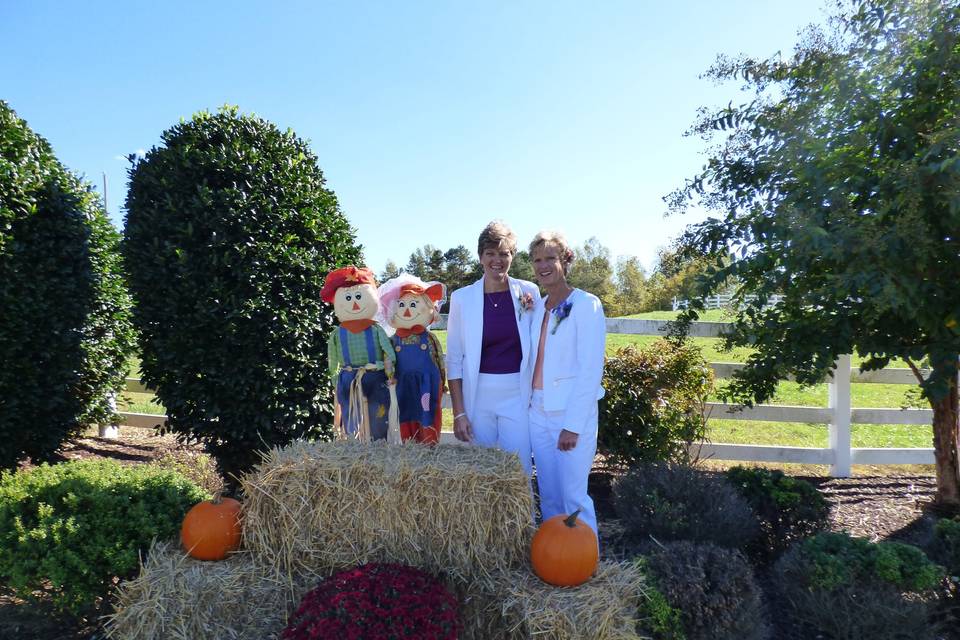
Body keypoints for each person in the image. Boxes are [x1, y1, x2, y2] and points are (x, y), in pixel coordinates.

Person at [527, 230, 605, 534]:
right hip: (537, 410)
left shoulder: (587, 304)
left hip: (570, 414)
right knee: (548, 494)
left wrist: (573, 424)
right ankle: (555, 560)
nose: (543, 265)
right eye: (537, 260)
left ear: (566, 260)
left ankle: (587, 563)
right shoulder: (536, 307)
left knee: (573, 495)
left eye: (550, 258)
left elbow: (590, 369)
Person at [446, 221, 540, 474]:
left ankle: (524, 516)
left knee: (519, 471)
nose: (497, 260)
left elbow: (541, 347)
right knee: (479, 474)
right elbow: (454, 359)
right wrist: (459, 413)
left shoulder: (529, 292)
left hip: (518, 396)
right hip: (477, 397)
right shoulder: (462, 298)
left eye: (504, 253)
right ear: (480, 257)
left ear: (512, 257)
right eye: (490, 253)